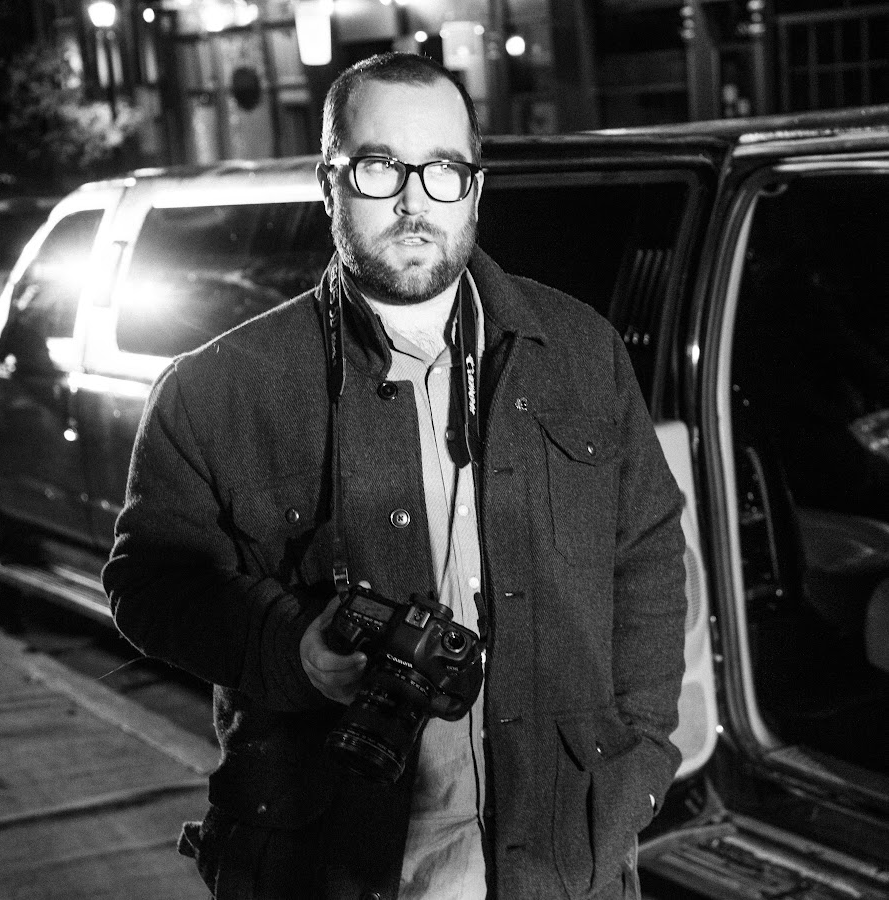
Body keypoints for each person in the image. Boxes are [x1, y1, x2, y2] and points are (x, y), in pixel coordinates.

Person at [103, 52, 687, 900]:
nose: (416, 202)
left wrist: (642, 760)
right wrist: (290, 647)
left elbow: (649, 556)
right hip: (327, 864)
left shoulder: (581, 352)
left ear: (476, 189)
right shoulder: (217, 388)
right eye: (380, 167)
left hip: (564, 864)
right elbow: (148, 584)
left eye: (444, 170)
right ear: (329, 183)